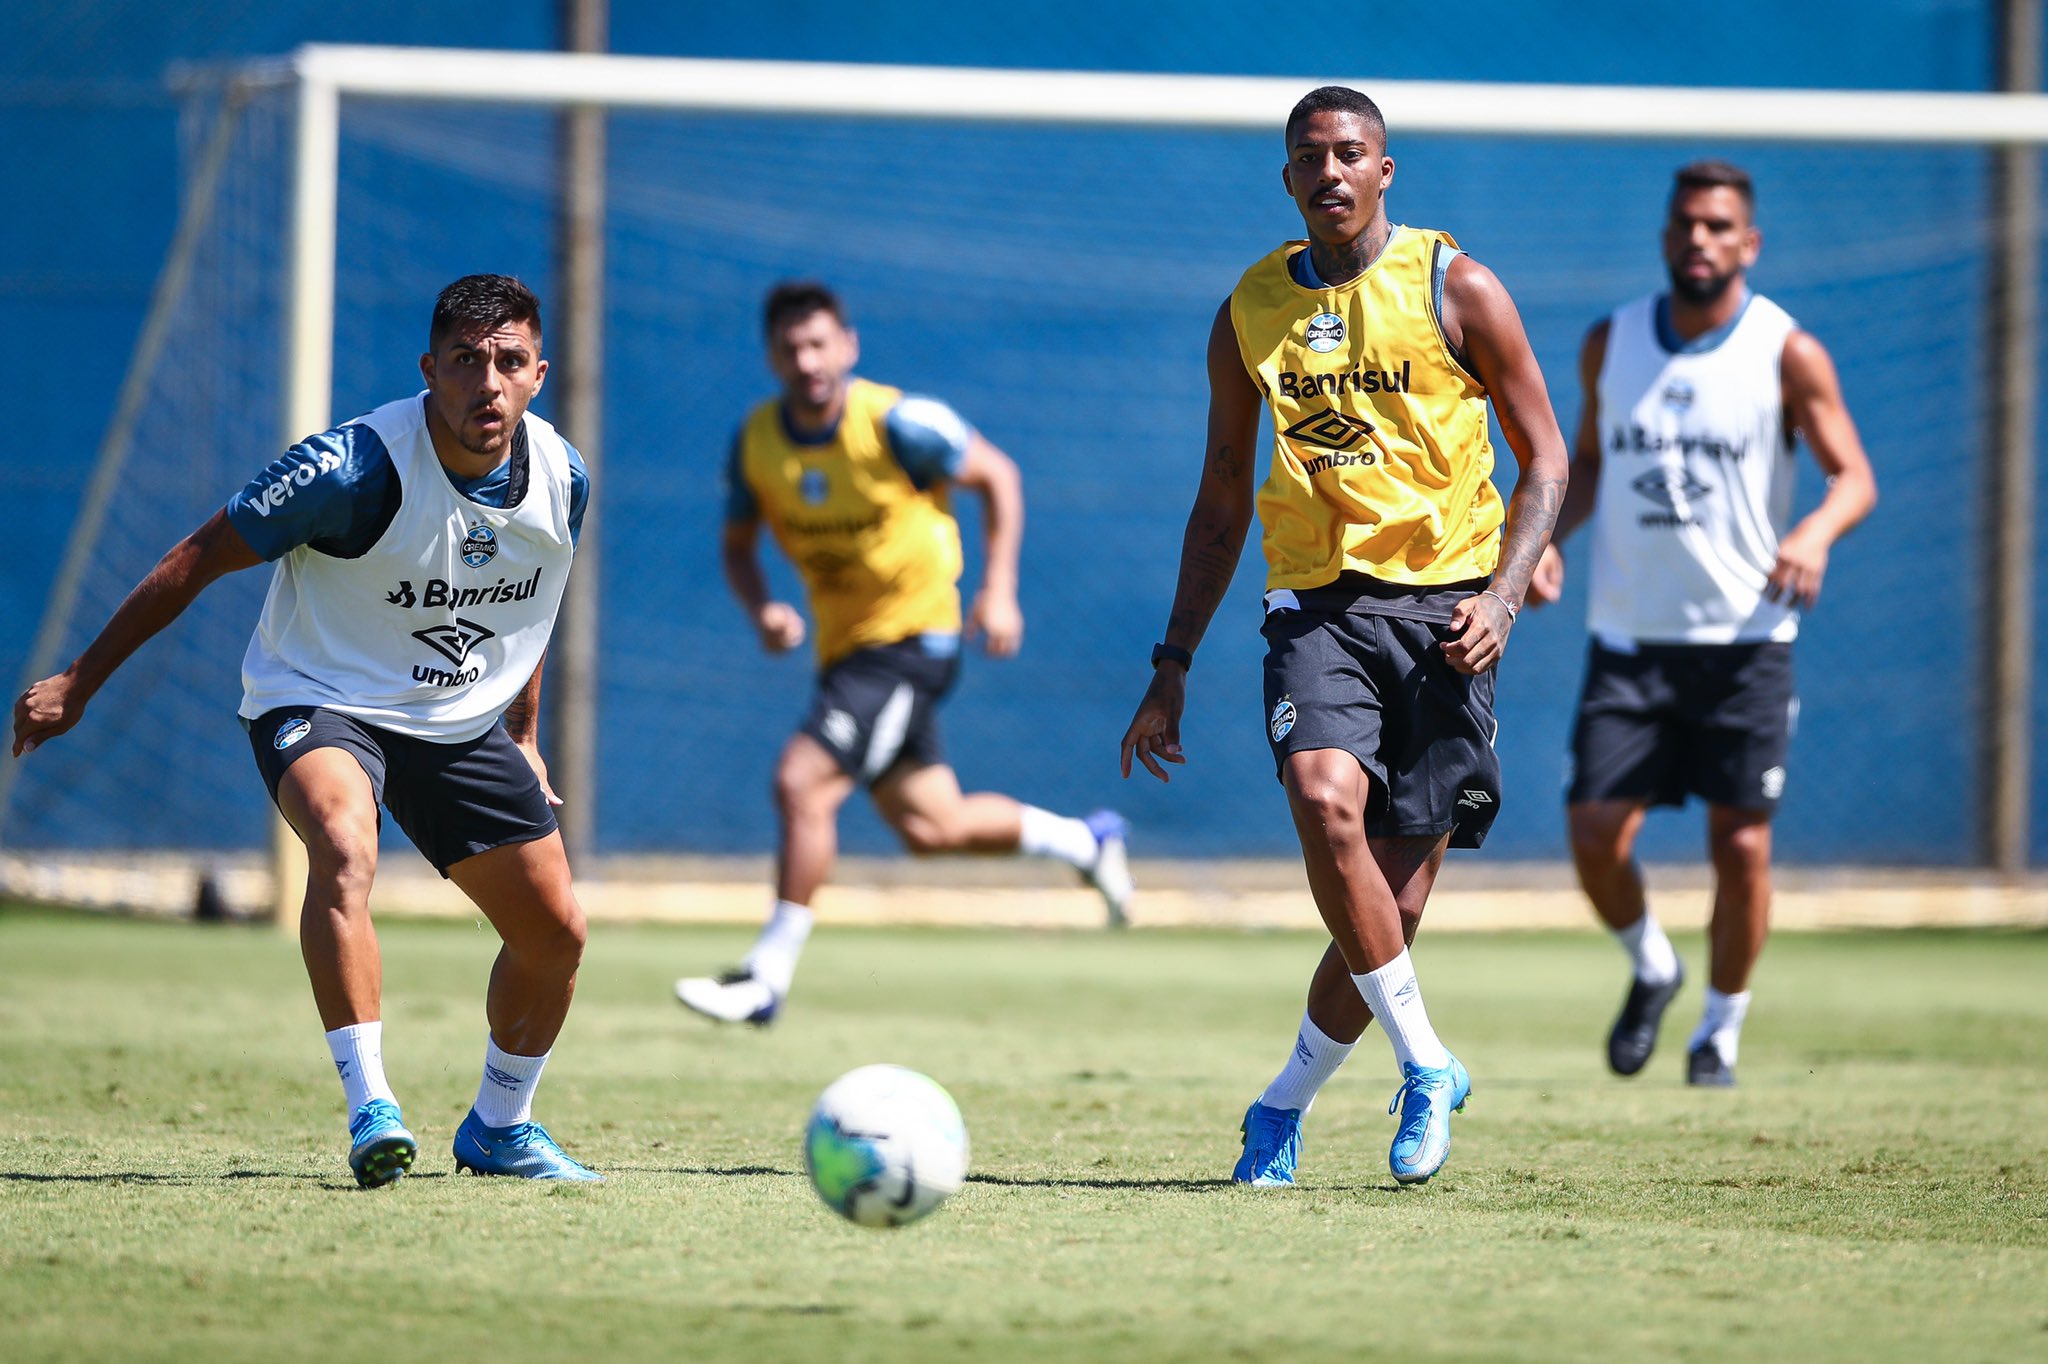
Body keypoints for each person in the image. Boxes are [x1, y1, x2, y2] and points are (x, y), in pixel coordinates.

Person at [12, 275, 602, 1186]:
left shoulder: (561, 478)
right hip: (321, 695)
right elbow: (196, 558)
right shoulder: (351, 470)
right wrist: (80, 682)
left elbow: (527, 608)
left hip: (456, 715)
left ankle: (499, 1126)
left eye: (509, 362)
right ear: (429, 370)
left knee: (556, 932)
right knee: (343, 841)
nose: (486, 383)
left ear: (537, 374)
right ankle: (374, 1107)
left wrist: (521, 731)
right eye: (464, 362)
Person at [1120, 87, 1568, 1187]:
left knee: (1389, 909)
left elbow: (1545, 459)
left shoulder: (1454, 286)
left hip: (1449, 617)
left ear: (1384, 169)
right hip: (1315, 604)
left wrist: (1504, 595)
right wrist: (1169, 664)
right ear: (1285, 179)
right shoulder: (1250, 308)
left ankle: (1279, 1104)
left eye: (1349, 152)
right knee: (1323, 801)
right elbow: (1223, 492)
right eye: (1308, 157)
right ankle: (1425, 1063)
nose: (1328, 171)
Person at [673, 281, 1133, 1027]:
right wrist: (763, 609)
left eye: (820, 343)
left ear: (848, 345)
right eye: (791, 348)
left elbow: (999, 477)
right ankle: (1087, 841)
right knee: (932, 826)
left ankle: (765, 975)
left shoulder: (900, 423)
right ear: (771, 357)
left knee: (802, 781)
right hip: (846, 653)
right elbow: (737, 548)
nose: (807, 360)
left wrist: (1000, 589)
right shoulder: (756, 441)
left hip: (914, 642)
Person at [1527, 161, 1876, 1087]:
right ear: (1665, 237)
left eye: (1720, 226)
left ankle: (1719, 1028)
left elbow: (1856, 476)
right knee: (1595, 831)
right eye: (1687, 224)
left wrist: (1815, 531)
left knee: (1743, 842)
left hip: (1745, 644)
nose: (1700, 240)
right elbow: (1590, 462)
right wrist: (1544, 542)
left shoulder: (1786, 350)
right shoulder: (1614, 343)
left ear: (1748, 243)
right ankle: (1653, 964)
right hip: (1631, 642)